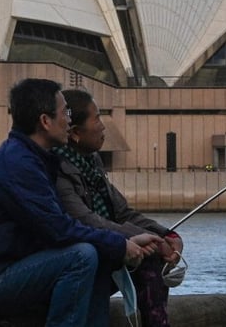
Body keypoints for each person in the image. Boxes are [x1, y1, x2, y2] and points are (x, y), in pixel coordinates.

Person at [0, 78, 162, 327]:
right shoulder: (19, 164)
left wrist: (122, 244)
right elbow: (59, 230)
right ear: (45, 121)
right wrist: (121, 245)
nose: (69, 120)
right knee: (82, 256)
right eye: (64, 112)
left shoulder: (33, 158)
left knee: (98, 255)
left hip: (6, 269)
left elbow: (60, 229)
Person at [54, 88, 185, 327]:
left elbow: (122, 212)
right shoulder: (57, 168)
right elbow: (85, 219)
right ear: (75, 133)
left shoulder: (91, 161)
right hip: (82, 257)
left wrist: (166, 234)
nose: (103, 126)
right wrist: (149, 240)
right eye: (97, 118)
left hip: (104, 247)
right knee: (147, 254)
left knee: (151, 255)